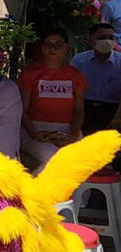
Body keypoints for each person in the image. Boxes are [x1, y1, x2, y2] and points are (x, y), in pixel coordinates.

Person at [18, 29, 87, 170]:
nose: (52, 48)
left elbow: (79, 110)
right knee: (52, 156)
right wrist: (34, 134)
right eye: (48, 44)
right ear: (42, 47)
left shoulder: (75, 75)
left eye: (58, 45)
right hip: (33, 130)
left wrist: (73, 135)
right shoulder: (30, 73)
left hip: (66, 130)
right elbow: (23, 110)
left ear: (66, 47)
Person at [71, 22, 121, 134]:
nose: (107, 41)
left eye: (110, 37)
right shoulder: (79, 61)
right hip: (85, 108)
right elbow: (71, 90)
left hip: (113, 110)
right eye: (102, 37)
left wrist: (118, 117)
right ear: (91, 39)